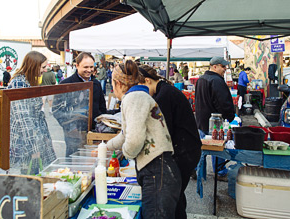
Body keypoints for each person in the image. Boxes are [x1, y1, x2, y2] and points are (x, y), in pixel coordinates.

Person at [108, 60, 181, 218]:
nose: (112, 89)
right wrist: (106, 147)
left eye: (112, 83)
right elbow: (125, 134)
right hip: (161, 170)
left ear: (119, 83)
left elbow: (133, 141)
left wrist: (126, 154)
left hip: (157, 170)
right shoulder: (138, 96)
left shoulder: (134, 98)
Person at [138, 65, 201, 218]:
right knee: (177, 195)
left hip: (184, 153)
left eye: (140, 87)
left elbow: (163, 131)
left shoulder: (163, 96)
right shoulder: (164, 90)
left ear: (147, 81)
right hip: (188, 149)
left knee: (174, 198)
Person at [5, 51, 54, 175]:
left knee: (40, 176)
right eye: (43, 67)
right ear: (33, 66)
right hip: (27, 143)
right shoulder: (19, 83)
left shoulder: (28, 81)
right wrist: (34, 148)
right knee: (29, 180)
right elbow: (23, 119)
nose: (45, 70)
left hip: (36, 138)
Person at [60, 53, 107, 128]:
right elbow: (57, 110)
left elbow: (102, 107)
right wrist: (68, 127)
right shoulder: (66, 84)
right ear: (77, 66)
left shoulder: (96, 83)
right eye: (86, 67)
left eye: (91, 67)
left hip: (94, 130)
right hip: (74, 132)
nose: (89, 70)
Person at [194, 57, 236, 133]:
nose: (225, 69)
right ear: (215, 67)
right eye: (223, 66)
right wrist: (229, 117)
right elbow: (223, 103)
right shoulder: (216, 81)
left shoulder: (201, 79)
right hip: (213, 125)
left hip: (202, 123)